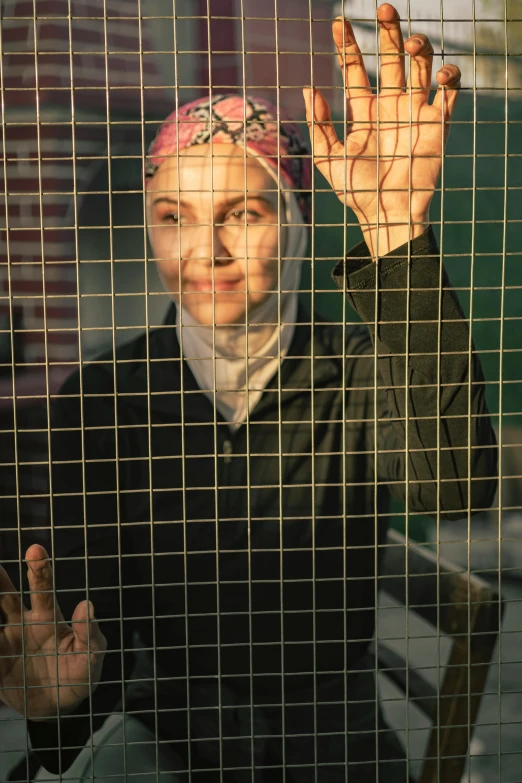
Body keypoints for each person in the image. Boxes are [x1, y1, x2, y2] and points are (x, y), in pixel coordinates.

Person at [0, 5, 497, 782]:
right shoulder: (102, 398)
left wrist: (399, 240)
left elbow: (459, 487)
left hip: (332, 745)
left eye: (245, 211)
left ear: (296, 220)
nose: (208, 251)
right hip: (166, 734)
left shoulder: (359, 372)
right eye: (174, 217)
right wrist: (58, 711)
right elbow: (94, 630)